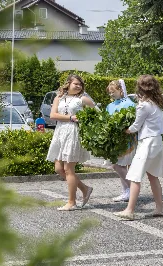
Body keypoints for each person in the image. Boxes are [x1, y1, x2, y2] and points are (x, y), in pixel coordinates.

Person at [114, 75, 163, 220]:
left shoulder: (143, 105)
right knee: (153, 176)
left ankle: (129, 210)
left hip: (147, 142)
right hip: (157, 141)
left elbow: (136, 126)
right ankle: (159, 208)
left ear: (140, 88)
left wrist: (126, 130)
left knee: (135, 176)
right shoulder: (159, 103)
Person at [47, 74, 95, 211]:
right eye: (76, 83)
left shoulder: (83, 99)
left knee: (69, 169)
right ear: (68, 84)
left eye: (80, 84)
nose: (78, 86)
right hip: (60, 132)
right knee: (58, 169)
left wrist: (86, 122)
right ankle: (85, 189)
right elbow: (53, 115)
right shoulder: (59, 97)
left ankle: (71, 202)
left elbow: (97, 113)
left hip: (74, 133)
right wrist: (71, 117)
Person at [105, 79, 136, 202]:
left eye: (113, 92)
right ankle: (126, 191)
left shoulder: (129, 104)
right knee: (120, 165)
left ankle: (130, 190)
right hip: (115, 140)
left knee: (118, 165)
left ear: (121, 90)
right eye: (109, 92)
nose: (111, 94)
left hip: (127, 139)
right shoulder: (110, 105)